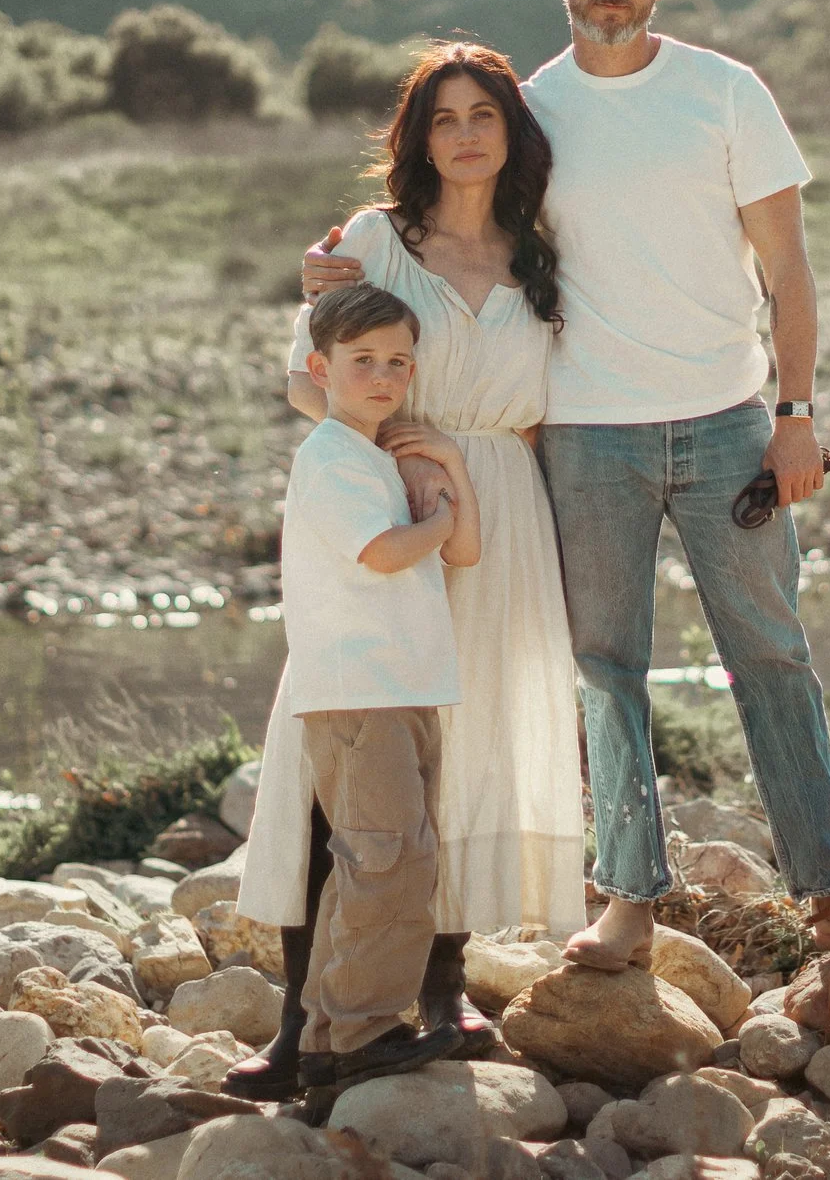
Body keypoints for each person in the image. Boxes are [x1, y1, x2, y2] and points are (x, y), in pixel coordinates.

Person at [306, 0, 830, 975]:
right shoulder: (532, 112)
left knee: (771, 654)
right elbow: (449, 213)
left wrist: (796, 415)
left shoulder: (726, 92)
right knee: (607, 670)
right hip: (582, 436)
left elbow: (788, 265)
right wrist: (337, 264)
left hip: (726, 425)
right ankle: (628, 898)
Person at [233, 44, 585, 1099]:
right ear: (417, 136)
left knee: (465, 743)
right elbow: (307, 381)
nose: (467, 133)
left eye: (486, 113)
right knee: (338, 751)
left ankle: (439, 993)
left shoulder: (545, 248)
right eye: (444, 117)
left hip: (506, 507)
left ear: (512, 132)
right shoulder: (372, 243)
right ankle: (301, 1022)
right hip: (398, 497)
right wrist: (399, 443)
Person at [269, 280, 478, 1093]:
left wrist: (444, 485)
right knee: (383, 859)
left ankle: (334, 1034)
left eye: (399, 360)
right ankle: (354, 1033)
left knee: (398, 857)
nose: (384, 375)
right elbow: (388, 552)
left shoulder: (371, 453)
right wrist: (436, 514)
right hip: (359, 691)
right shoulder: (329, 457)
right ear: (319, 367)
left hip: (404, 685)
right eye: (363, 361)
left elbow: (466, 552)